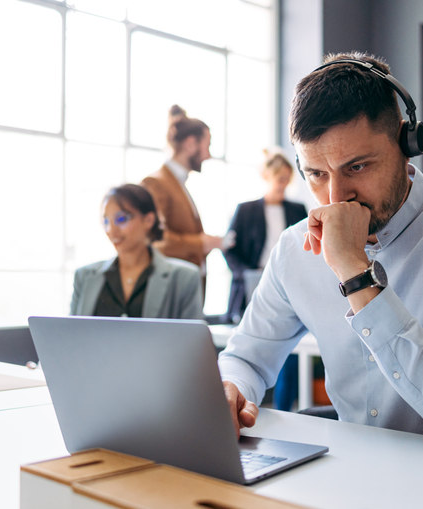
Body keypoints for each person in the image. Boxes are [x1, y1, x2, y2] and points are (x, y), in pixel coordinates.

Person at [218, 52, 423, 448]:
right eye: (316, 174)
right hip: (357, 478)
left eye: (357, 167)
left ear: (406, 142)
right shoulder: (294, 248)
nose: (336, 196)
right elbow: (246, 358)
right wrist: (232, 387)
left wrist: (355, 272)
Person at [223, 148, 308, 411]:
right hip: (251, 282)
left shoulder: (297, 209)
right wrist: (244, 275)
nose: (283, 183)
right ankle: (250, 403)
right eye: (278, 178)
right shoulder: (246, 210)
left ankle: (284, 409)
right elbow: (230, 248)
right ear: (266, 177)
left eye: (286, 178)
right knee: (251, 348)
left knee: (292, 351)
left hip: (288, 281)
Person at [71, 183, 204, 320]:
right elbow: (71, 334)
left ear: (148, 220)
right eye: (106, 221)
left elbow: (191, 339)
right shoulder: (84, 277)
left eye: (121, 219)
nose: (111, 230)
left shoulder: (184, 278)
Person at [141, 105, 226, 299]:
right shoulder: (156, 183)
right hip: (170, 292)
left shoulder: (178, 184)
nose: (208, 154)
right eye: (207, 145)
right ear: (190, 144)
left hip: (185, 289)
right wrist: (202, 243)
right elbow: (155, 238)